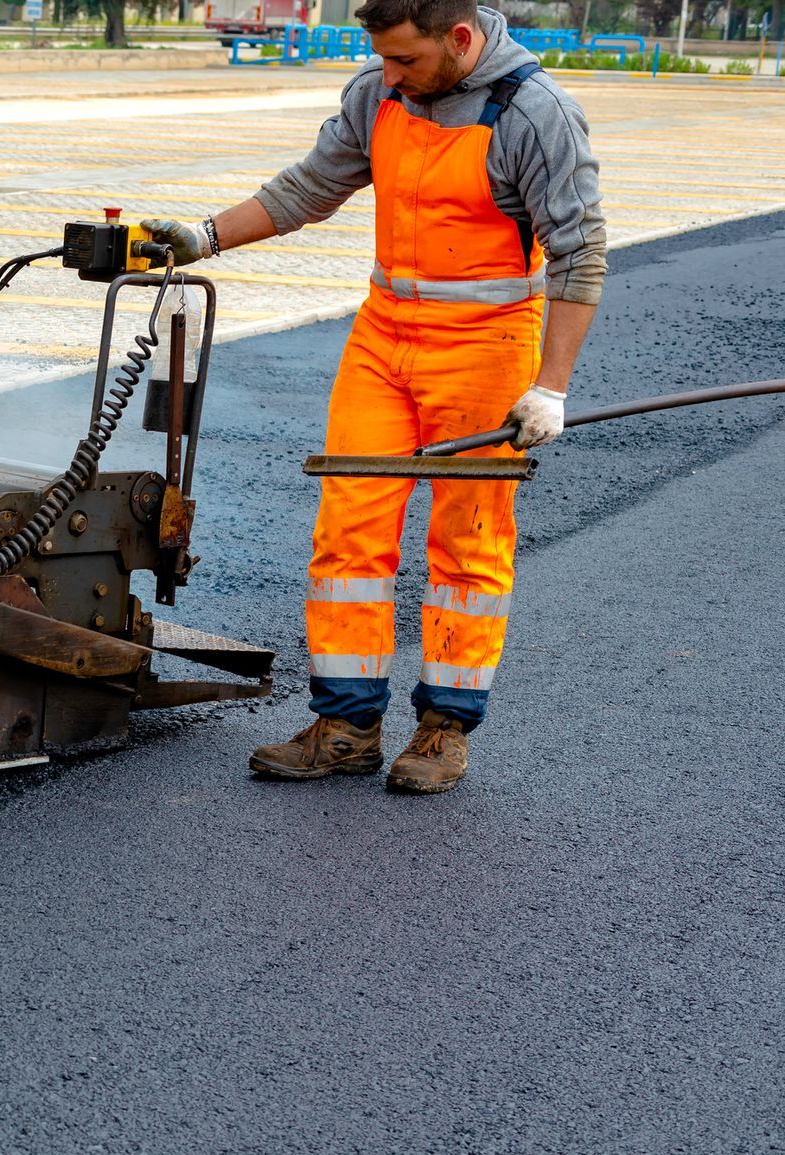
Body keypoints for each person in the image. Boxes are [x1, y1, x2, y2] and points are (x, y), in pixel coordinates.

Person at [146, 0, 605, 794]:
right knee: (348, 530)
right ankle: (347, 724)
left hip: (487, 347)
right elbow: (307, 190)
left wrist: (550, 388)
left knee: (466, 544)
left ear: (459, 40)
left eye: (405, 61)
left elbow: (579, 252)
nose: (388, 78)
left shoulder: (535, 115)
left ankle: (443, 730)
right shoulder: (379, 94)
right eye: (383, 61)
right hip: (384, 341)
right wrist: (204, 235)